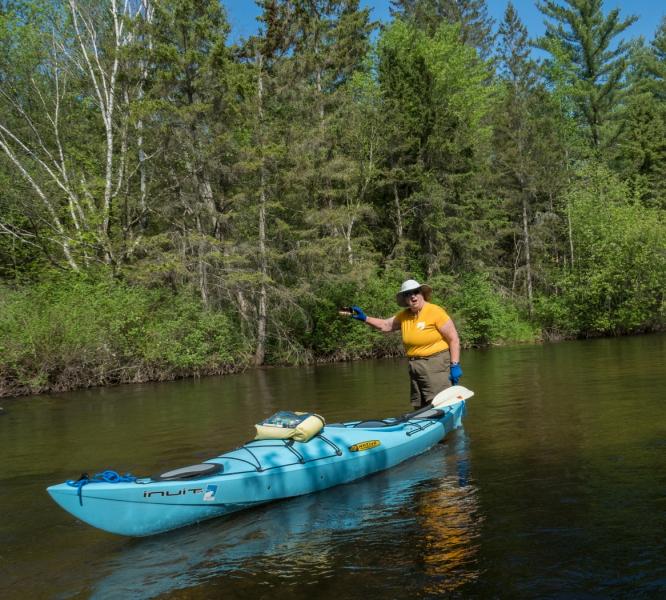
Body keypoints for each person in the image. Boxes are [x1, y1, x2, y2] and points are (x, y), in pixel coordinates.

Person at [350, 279, 462, 409]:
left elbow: (454, 339)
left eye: (416, 292)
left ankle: (450, 424)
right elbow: (385, 325)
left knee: (441, 402)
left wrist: (455, 365)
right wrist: (365, 318)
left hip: (435, 364)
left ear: (422, 294)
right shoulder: (404, 315)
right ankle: (424, 424)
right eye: (408, 294)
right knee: (420, 405)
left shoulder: (435, 311)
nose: (413, 296)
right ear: (405, 299)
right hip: (415, 366)